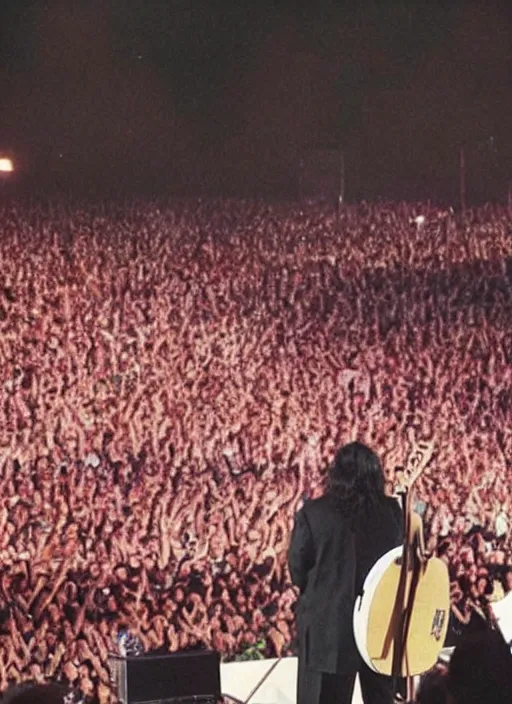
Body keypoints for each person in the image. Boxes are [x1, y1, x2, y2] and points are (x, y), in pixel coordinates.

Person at [288, 442, 403, 704]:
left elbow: (298, 570)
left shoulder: (314, 513)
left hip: (327, 631)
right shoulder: (391, 512)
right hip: (378, 629)